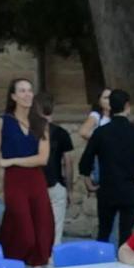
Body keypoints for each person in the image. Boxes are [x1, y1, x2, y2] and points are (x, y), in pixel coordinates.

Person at [0, 76, 55, 265]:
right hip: (15, 182)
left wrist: (12, 160)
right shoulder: (3, 122)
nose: (27, 94)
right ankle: (10, 264)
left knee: (42, 232)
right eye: (22, 90)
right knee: (24, 233)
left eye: (30, 90)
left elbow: (43, 158)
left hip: (36, 181)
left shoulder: (41, 123)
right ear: (13, 96)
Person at [79, 88, 134, 247]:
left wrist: (89, 184)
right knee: (126, 234)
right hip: (130, 189)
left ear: (110, 106)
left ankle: (101, 266)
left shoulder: (101, 133)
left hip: (107, 189)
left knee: (104, 232)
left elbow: (84, 162)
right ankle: (124, 265)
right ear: (127, 106)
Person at [41, 93, 76, 250]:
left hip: (36, 185)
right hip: (56, 184)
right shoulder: (61, 133)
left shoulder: (29, 133)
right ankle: (52, 263)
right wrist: (69, 189)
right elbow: (68, 163)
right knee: (56, 231)